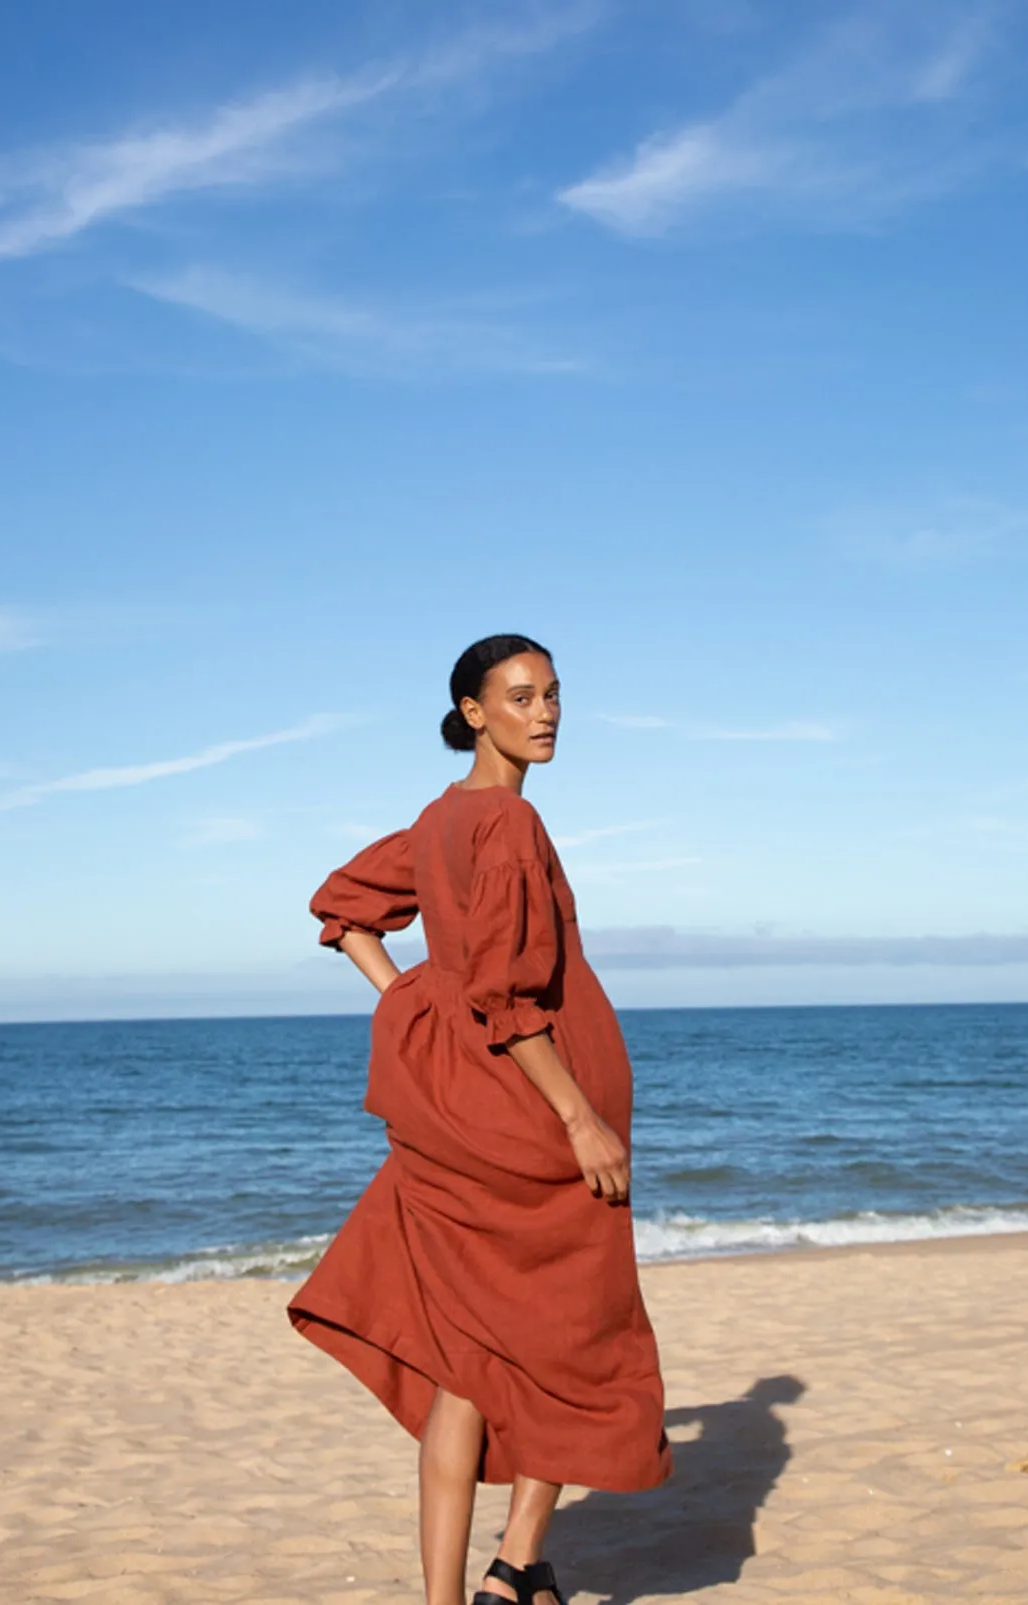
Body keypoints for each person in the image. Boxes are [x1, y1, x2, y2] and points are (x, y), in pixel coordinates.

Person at [288, 634, 671, 1605]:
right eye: (519, 696)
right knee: (577, 1341)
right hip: (531, 1121)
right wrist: (580, 1117)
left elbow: (345, 910)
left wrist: (407, 1001)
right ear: (472, 711)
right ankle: (510, 1567)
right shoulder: (508, 825)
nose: (543, 713)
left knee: (469, 1361)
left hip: (457, 1114)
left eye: (552, 695)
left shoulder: (433, 823)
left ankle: (464, 1592)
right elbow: (509, 999)